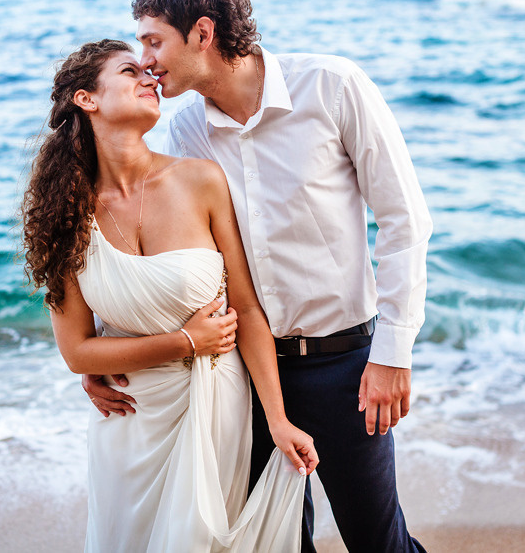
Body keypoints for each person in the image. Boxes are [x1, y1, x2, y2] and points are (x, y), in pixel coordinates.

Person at [83, 0, 433, 552]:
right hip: (239, 375)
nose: (145, 61)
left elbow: (404, 220)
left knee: (379, 542)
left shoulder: (333, 86)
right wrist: (101, 347)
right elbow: (161, 254)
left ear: (202, 32)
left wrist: (393, 353)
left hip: (346, 365)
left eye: (153, 41)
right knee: (269, 544)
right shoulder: (186, 131)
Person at [22, 39, 319, 552]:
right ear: (86, 99)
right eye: (129, 70)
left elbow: (246, 309)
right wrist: (185, 341)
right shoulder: (67, 214)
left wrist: (277, 419)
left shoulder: (201, 180)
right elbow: (77, 351)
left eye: (148, 69)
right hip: (130, 417)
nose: (150, 78)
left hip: (214, 408)